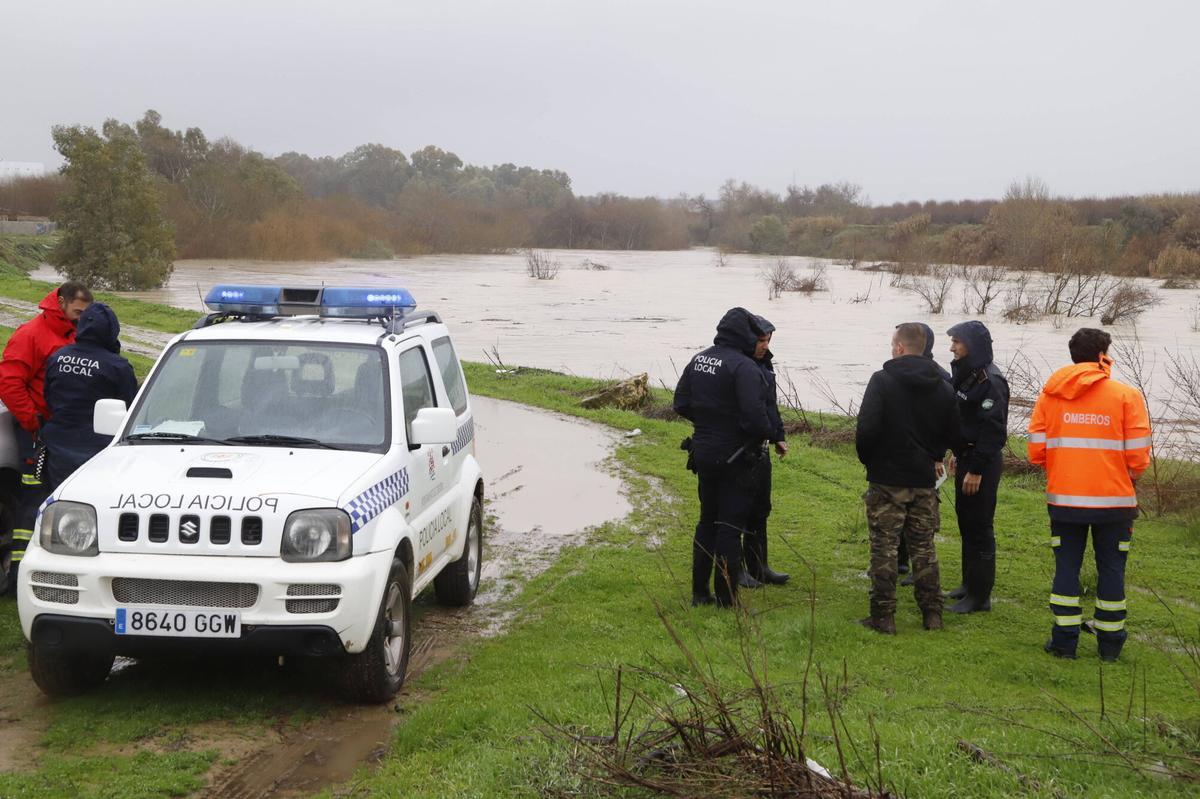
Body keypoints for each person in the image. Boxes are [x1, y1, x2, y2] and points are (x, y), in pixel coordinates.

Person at [1028, 328, 1150, 662]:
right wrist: (1125, 477)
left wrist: (1065, 468)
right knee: (1112, 570)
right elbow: (1138, 458)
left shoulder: (1051, 395)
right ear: (1102, 356)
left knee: (1066, 567)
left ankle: (1064, 643)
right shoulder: (1126, 395)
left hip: (1065, 500)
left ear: (1073, 355)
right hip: (1115, 503)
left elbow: (1036, 451)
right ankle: (1110, 647)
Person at [855, 323, 962, 634]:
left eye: (893, 344)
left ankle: (883, 616)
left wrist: (871, 461)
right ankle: (932, 614)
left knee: (884, 547)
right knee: (924, 547)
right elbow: (953, 432)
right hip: (923, 479)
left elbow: (867, 429)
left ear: (900, 347)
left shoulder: (882, 381)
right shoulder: (943, 385)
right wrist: (935, 454)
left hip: (887, 478)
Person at [674, 307, 773, 608]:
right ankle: (727, 600)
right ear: (745, 334)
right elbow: (757, 420)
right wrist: (747, 430)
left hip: (703, 451)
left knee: (707, 521)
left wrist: (707, 423)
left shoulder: (699, 359)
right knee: (729, 526)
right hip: (736, 457)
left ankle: (699, 593)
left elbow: (681, 403)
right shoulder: (744, 367)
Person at [0, 281, 92, 589]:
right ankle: (18, 574)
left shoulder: (77, 333)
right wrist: (33, 421)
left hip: (66, 432)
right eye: (78, 311)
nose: (82, 317)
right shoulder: (31, 334)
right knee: (34, 497)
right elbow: (10, 382)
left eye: (86, 313)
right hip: (37, 433)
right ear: (61, 302)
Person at [946, 320, 1009, 614]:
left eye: (957, 342)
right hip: (966, 457)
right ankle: (968, 584)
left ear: (972, 345)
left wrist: (976, 469)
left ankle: (980, 596)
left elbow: (993, 431)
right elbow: (965, 418)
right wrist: (957, 452)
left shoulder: (991, 381)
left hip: (981, 463)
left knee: (980, 526)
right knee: (966, 522)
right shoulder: (966, 374)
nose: (952, 347)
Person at [42, 303, 138, 490]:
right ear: (112, 330)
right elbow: (131, 409)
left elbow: (48, 397)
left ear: (81, 326)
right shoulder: (118, 367)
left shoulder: (57, 358)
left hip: (58, 447)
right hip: (99, 453)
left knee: (61, 498)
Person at [897, 322, 951, 585]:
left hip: (927, 458)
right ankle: (900, 560)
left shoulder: (939, 377)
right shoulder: (895, 371)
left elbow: (946, 421)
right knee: (896, 507)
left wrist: (938, 455)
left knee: (922, 514)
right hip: (900, 455)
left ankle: (918, 566)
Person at [739, 315, 789, 589]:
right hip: (739, 449)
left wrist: (777, 436)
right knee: (737, 509)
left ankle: (760, 567)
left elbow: (770, 405)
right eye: (760, 340)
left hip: (762, 448)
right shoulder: (738, 365)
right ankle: (736, 569)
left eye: (768, 340)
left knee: (761, 508)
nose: (765, 345)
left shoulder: (765, 364)